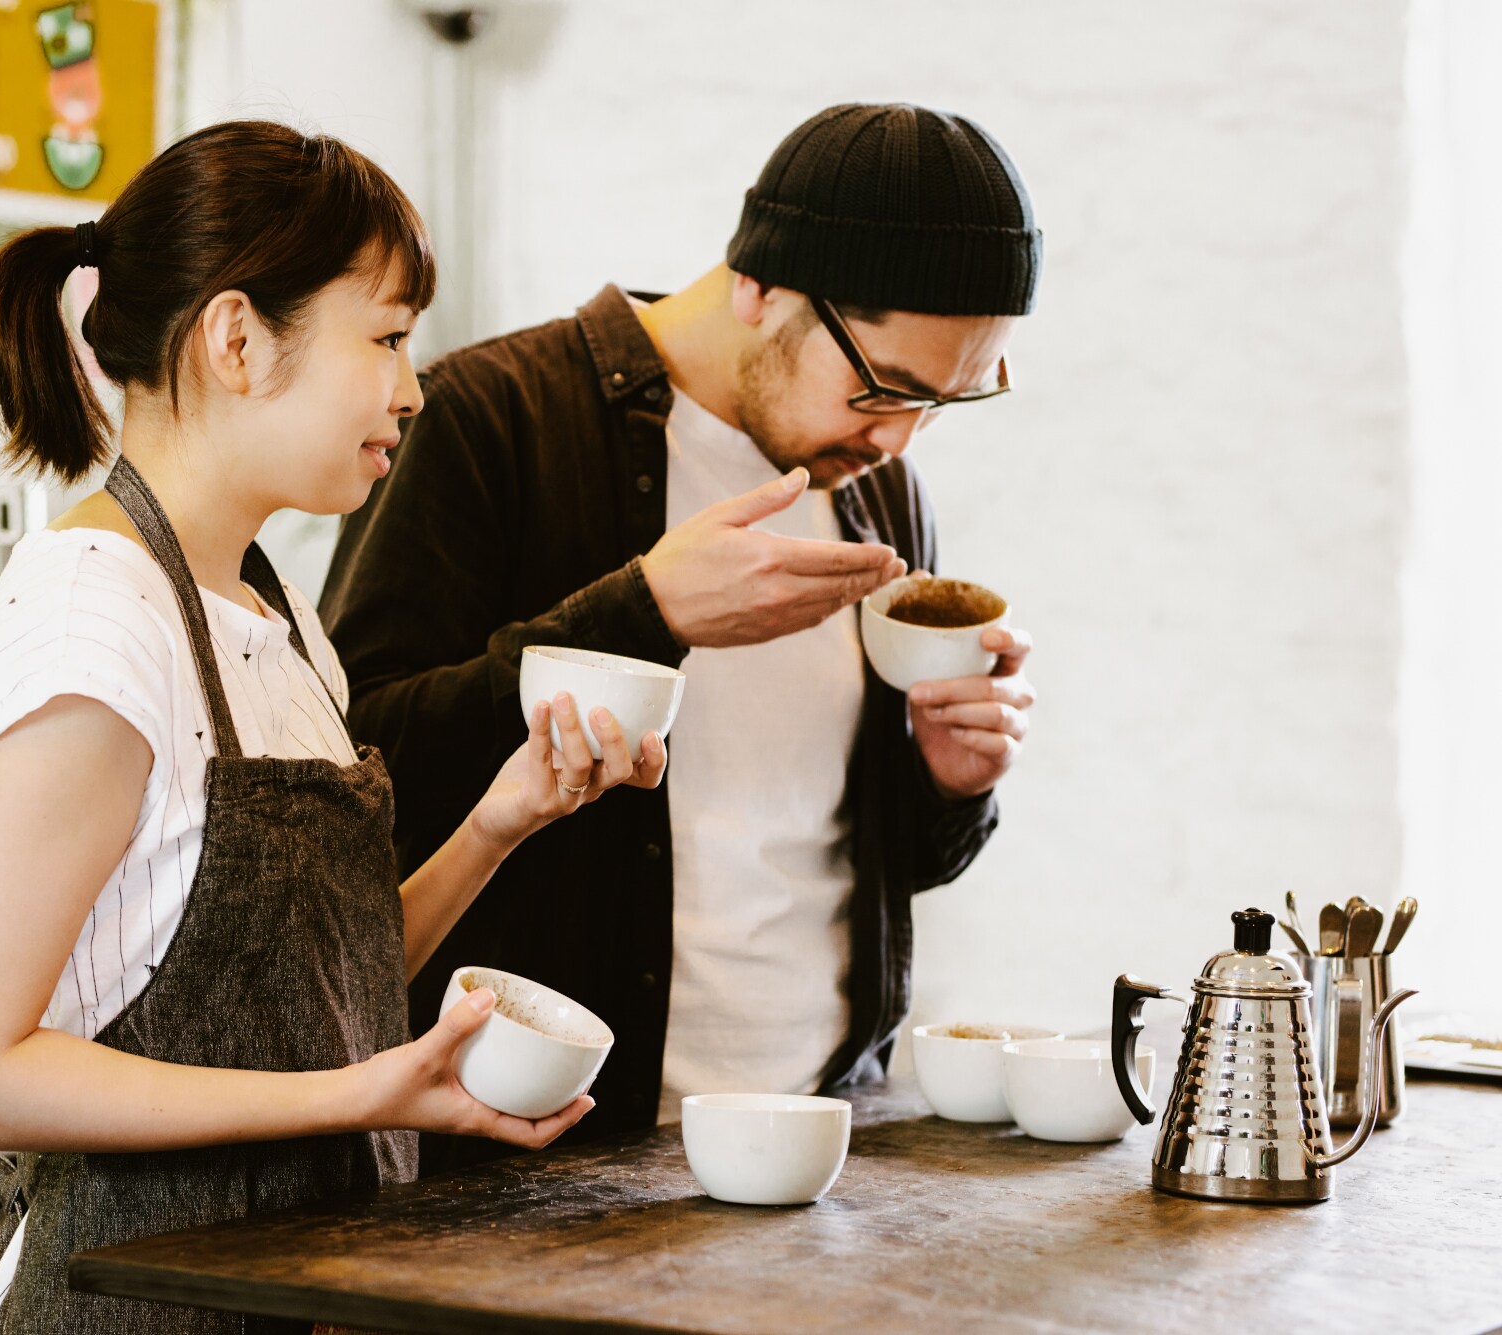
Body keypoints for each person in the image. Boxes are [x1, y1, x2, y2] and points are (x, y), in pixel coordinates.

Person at [0, 121, 667, 1335]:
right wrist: (367, 1093)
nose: (414, 386)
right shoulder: (94, 630)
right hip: (135, 1301)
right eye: (390, 338)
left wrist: (497, 826)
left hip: (299, 1290)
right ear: (238, 339)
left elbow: (308, 993)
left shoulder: (276, 612)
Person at [322, 104, 1040, 1163]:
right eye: (885, 388)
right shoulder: (492, 417)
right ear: (757, 284)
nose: (898, 440)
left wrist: (948, 782)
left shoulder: (876, 492)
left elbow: (860, 858)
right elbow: (362, 769)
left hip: (819, 1137)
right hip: (542, 1154)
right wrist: (641, 613)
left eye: (946, 403)